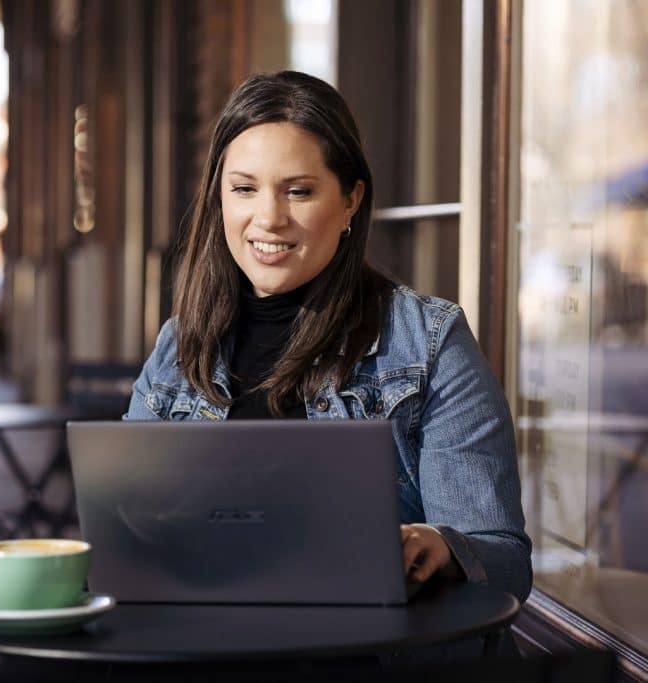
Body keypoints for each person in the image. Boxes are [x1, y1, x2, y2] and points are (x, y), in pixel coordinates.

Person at [124, 70, 532, 605]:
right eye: (244, 189)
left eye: (298, 191)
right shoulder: (180, 348)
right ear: (218, 198)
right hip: (200, 643)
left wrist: (438, 547)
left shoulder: (428, 343)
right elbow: (126, 529)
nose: (268, 218)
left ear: (350, 201)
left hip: (362, 655)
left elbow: (504, 562)